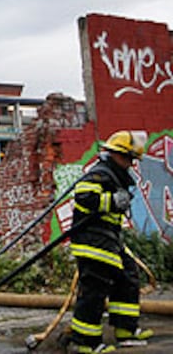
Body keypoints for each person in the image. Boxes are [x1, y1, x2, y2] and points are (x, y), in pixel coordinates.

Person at [67, 130, 153, 353]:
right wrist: (112, 201)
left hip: (109, 240)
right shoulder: (101, 173)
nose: (130, 164)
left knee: (128, 277)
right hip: (93, 243)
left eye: (132, 159)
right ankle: (86, 343)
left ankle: (125, 329)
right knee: (94, 291)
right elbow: (84, 196)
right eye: (128, 158)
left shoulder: (114, 174)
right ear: (115, 154)